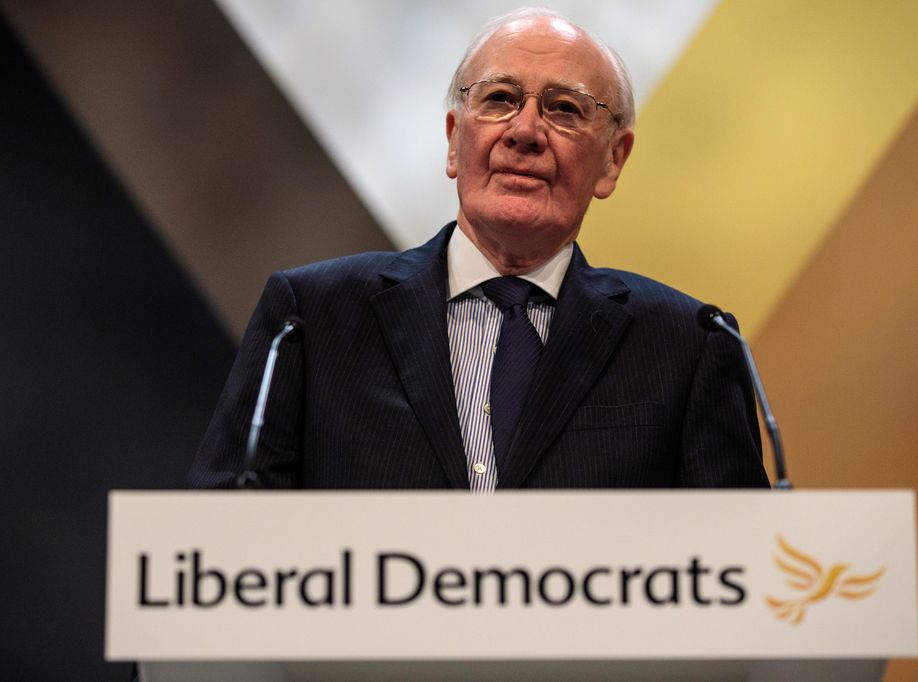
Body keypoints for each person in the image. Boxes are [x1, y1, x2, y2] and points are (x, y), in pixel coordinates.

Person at [189, 8, 769, 491]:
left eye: (565, 109)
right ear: (453, 140)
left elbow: (738, 563)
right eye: (499, 99)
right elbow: (225, 531)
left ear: (613, 160)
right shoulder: (311, 319)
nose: (525, 131)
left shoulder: (689, 346)